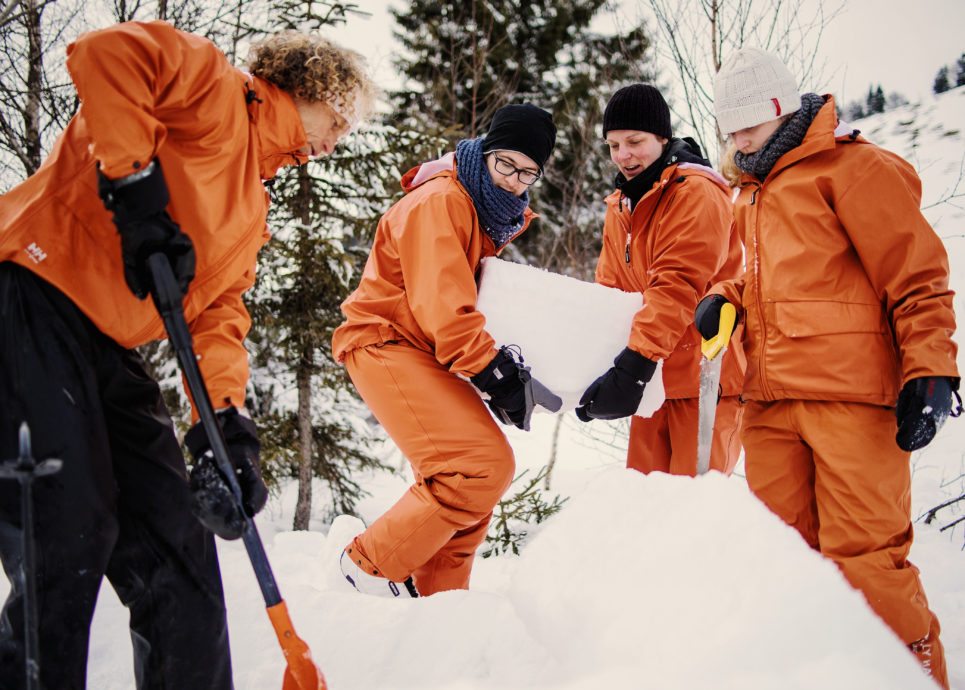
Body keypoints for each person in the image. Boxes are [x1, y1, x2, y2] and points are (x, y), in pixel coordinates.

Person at [0, 20, 375, 689]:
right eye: (337, 123)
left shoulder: (250, 207)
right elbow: (105, 55)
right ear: (311, 88)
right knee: (66, 527)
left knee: (178, 543)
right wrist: (136, 188)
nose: (330, 145)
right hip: (29, 290)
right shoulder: (214, 90)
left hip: (109, 344)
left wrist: (225, 428)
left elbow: (220, 317)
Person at [697, 47, 960, 688]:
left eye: (748, 125)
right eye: (729, 128)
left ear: (782, 108)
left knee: (867, 561)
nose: (738, 139)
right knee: (784, 561)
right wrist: (723, 299)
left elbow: (917, 276)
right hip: (769, 403)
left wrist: (931, 368)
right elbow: (761, 281)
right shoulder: (749, 193)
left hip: (851, 399)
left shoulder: (853, 168)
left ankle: (915, 677)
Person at [332, 103, 557, 598]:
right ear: (486, 152)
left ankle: (440, 603)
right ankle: (366, 570)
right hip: (385, 340)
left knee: (469, 478)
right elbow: (443, 306)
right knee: (479, 467)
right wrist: (491, 371)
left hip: (425, 348)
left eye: (528, 173)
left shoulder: (482, 209)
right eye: (506, 165)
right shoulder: (443, 201)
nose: (514, 181)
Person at [575, 83, 745, 477]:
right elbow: (610, 291)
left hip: (704, 381)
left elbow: (678, 285)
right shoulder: (622, 205)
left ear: (662, 137)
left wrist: (634, 365)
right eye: (613, 145)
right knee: (645, 512)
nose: (623, 155)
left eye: (634, 141)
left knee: (693, 517)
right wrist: (595, 366)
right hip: (652, 383)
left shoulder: (697, 193)